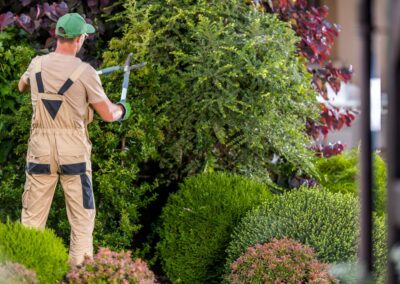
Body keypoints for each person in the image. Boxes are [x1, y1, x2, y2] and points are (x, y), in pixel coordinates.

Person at [17, 13, 131, 266]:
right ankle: (79, 276)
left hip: (40, 151)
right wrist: (123, 109)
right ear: (80, 39)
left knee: (32, 221)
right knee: (81, 220)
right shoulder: (86, 72)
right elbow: (108, 114)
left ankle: (22, 276)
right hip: (73, 154)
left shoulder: (36, 64)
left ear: (57, 36)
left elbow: (21, 86)